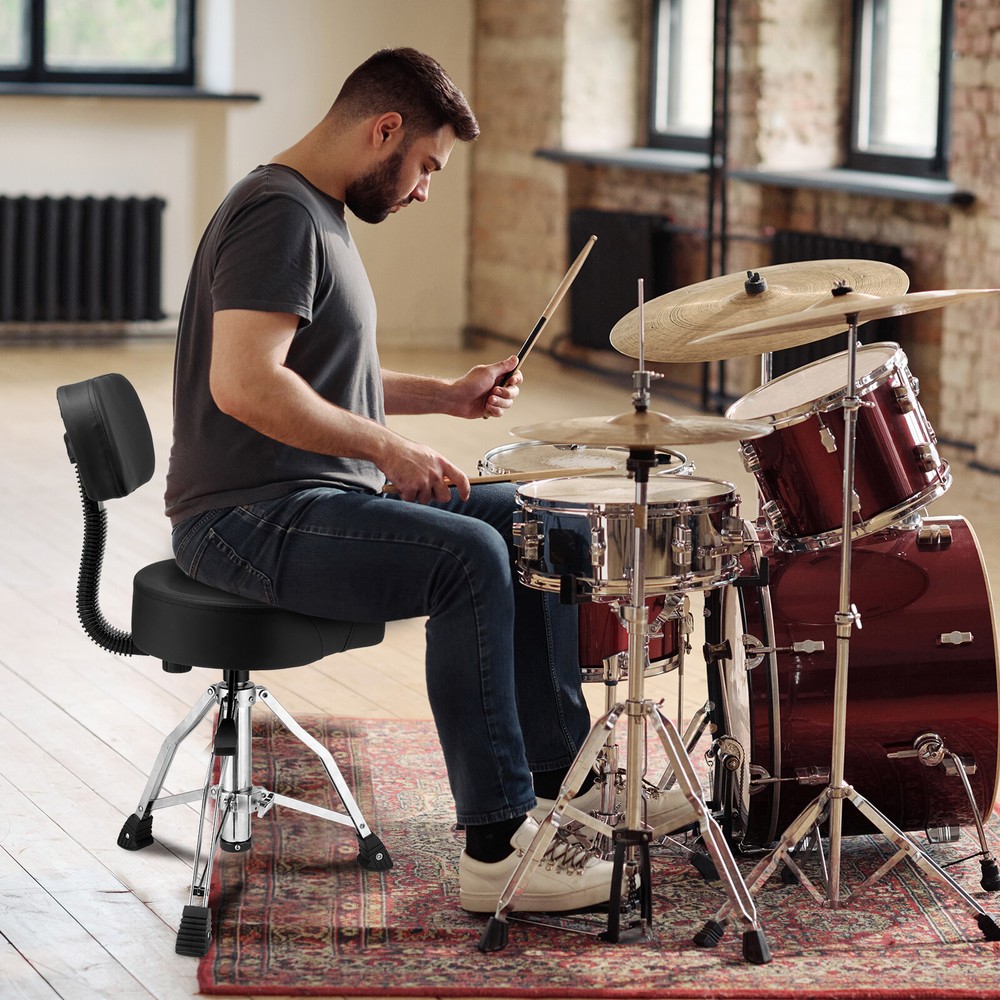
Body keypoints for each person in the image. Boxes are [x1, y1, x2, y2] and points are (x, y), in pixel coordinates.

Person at [165, 47, 690, 915]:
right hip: (245, 518)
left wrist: (443, 398)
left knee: (534, 521)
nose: (423, 190)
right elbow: (247, 384)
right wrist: (387, 449)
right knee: (468, 557)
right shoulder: (280, 215)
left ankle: (566, 780)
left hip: (308, 497)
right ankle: (496, 848)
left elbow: (320, 375)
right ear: (384, 131)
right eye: (426, 168)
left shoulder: (315, 210)